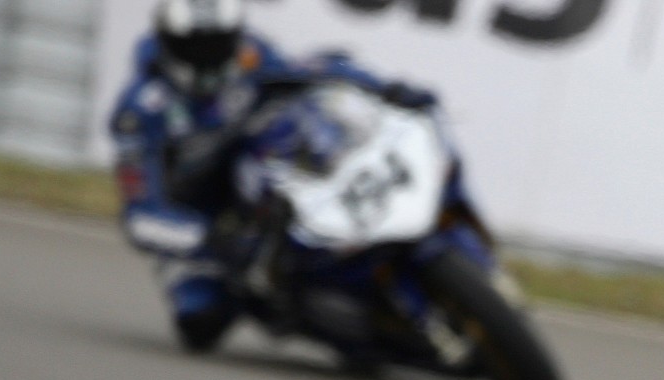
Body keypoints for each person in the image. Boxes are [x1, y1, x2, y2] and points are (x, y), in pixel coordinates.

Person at [109, 0, 432, 352]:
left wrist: (385, 88)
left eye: (219, 43)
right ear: (169, 44)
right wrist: (206, 238)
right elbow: (141, 217)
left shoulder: (250, 53)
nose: (209, 55)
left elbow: (309, 71)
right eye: (196, 46)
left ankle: (360, 231)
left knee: (311, 119)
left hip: (263, 171)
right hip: (204, 220)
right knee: (200, 321)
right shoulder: (140, 112)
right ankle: (307, 317)